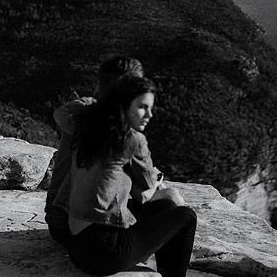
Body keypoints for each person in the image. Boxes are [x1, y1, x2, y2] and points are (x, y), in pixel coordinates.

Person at [55, 74, 211, 277]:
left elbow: (61, 113)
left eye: (150, 107)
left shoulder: (87, 127)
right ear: (123, 106)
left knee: (167, 206)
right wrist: (157, 180)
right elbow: (149, 188)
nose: (149, 115)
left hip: (76, 245)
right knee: (185, 216)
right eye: (142, 107)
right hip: (104, 253)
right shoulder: (132, 139)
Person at [46, 56, 183, 246]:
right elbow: (142, 191)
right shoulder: (122, 135)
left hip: (59, 222)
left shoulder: (83, 115)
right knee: (172, 198)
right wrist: (155, 179)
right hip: (88, 230)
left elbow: (59, 114)